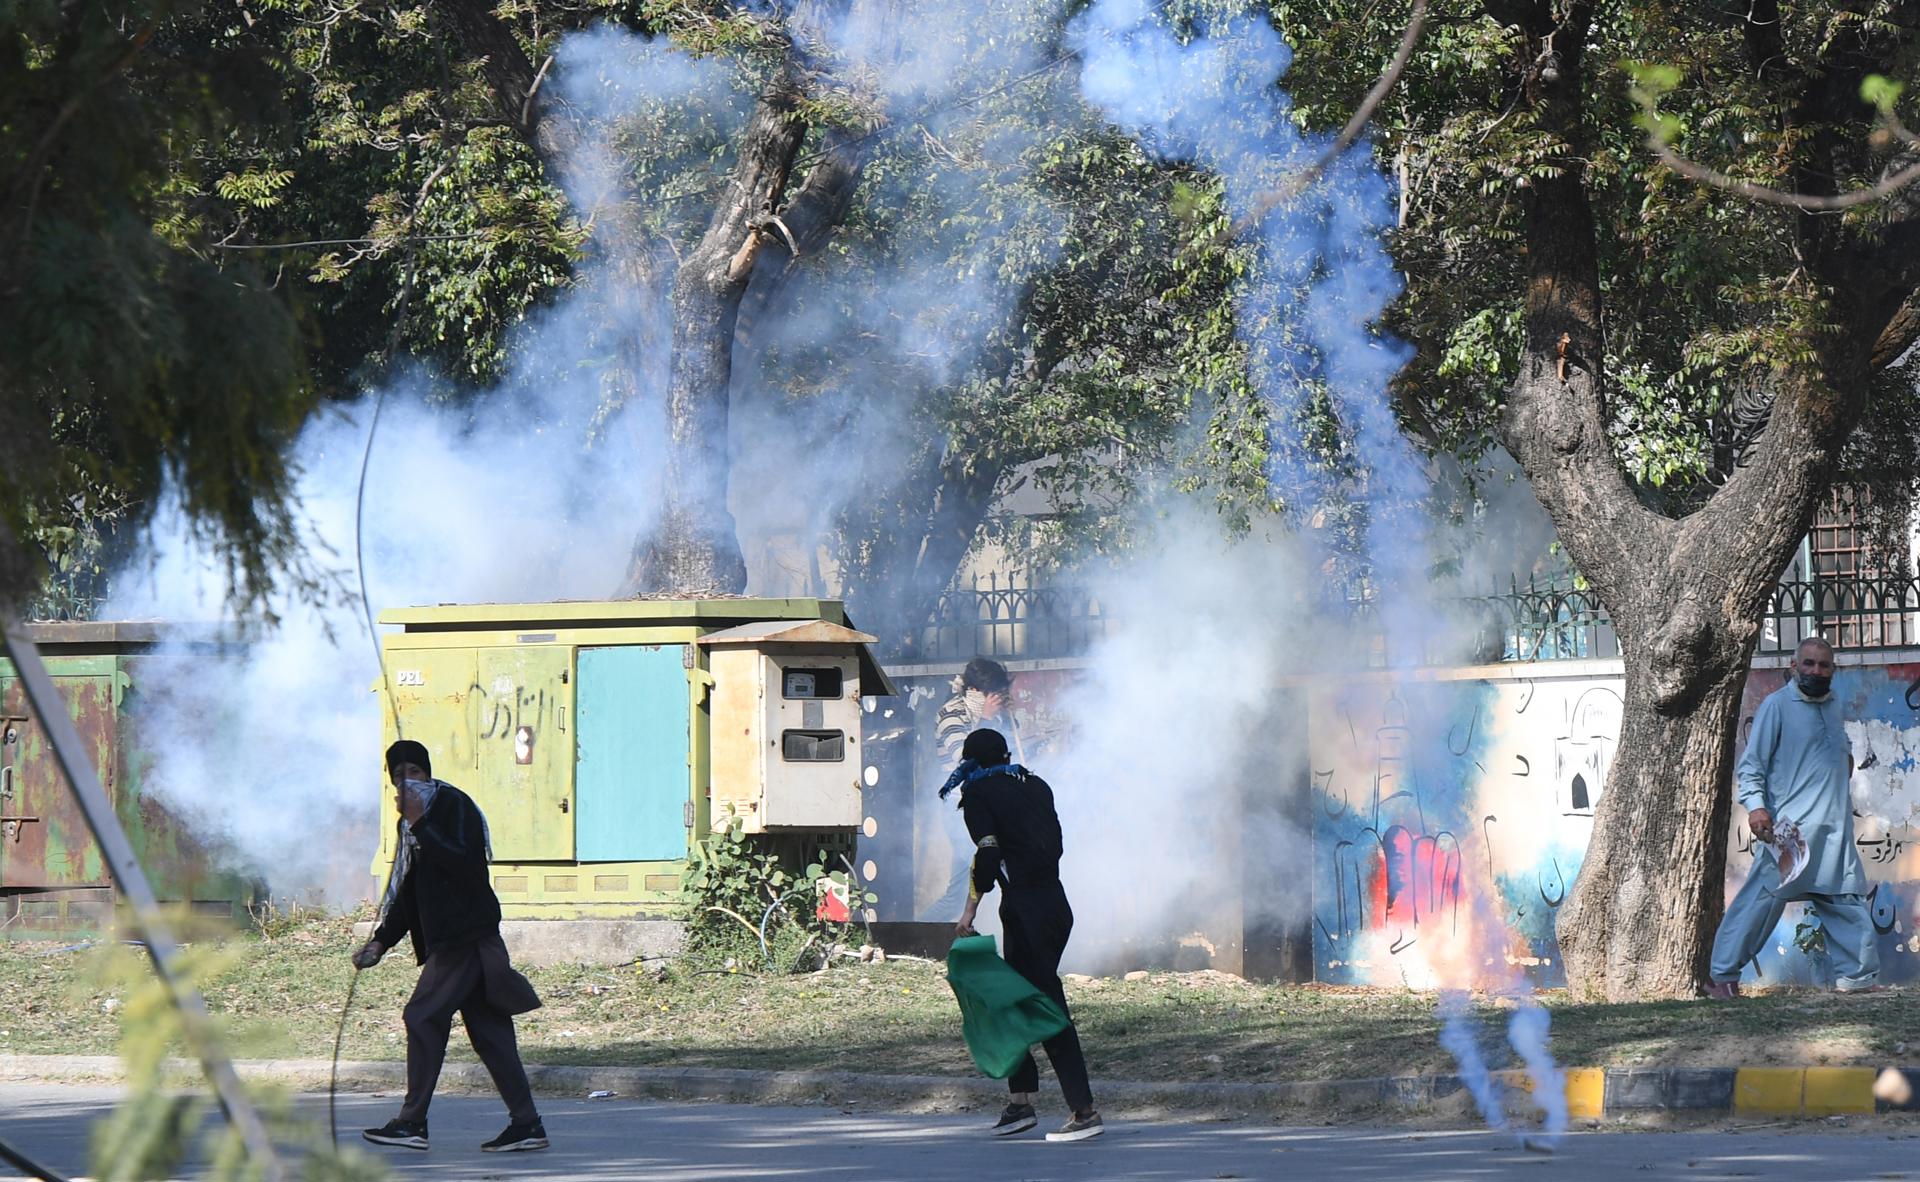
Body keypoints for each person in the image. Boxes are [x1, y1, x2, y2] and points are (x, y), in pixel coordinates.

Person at [353, 740, 549, 1152]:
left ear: (428, 772)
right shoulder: (410, 823)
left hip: (466, 936)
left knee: (422, 1016)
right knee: (490, 1033)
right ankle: (527, 1124)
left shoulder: (452, 805)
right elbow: (412, 888)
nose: (408, 781)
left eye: (415, 772)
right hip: (464, 939)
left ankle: (411, 1122)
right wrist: (381, 942)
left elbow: (463, 863)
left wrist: (421, 821)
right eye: (398, 775)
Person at [948, 727, 1102, 1142]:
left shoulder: (978, 795)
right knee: (1011, 1002)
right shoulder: (1036, 785)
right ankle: (1020, 1103)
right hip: (1054, 904)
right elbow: (1051, 843)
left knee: (1045, 1008)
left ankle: (1083, 1111)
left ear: (971, 763)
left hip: (1026, 911)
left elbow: (989, 854)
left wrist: (968, 911)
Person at [1706, 638, 1882, 998]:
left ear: (1833, 670)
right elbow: (1753, 766)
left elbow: (1841, 754)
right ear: (1794, 665)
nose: (1816, 671)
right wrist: (1756, 807)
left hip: (1834, 831)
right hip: (1791, 835)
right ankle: (1722, 977)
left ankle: (1859, 981)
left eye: (1823, 665)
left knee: (1846, 902)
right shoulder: (1777, 706)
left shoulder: (1834, 706)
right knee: (1759, 905)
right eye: (1809, 664)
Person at [935, 657, 1014, 765]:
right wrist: (986, 720)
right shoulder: (951, 714)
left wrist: (1007, 717)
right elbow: (966, 760)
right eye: (993, 693)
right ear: (973, 690)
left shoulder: (997, 713)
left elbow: (1012, 750)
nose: (998, 698)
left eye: (1000, 692)